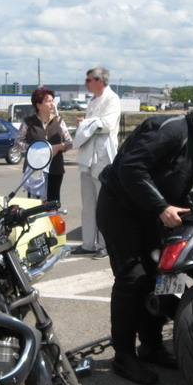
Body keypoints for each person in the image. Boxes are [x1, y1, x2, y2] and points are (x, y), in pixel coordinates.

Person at [96, 102, 193, 385]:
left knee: (161, 276)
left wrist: (184, 210)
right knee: (132, 279)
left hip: (149, 211)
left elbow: (178, 184)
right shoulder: (171, 130)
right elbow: (131, 168)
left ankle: (151, 346)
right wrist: (161, 206)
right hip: (119, 207)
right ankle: (123, 356)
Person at [71, 67, 120, 259]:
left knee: (103, 204)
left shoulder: (112, 99)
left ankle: (104, 245)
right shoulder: (92, 101)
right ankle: (88, 243)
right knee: (88, 204)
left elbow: (107, 125)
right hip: (88, 157)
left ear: (100, 81)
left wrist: (86, 123)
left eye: (88, 80)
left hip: (103, 158)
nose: (86, 83)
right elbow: (94, 125)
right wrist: (87, 123)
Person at [16, 86, 73, 202]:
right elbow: (18, 143)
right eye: (48, 101)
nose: (52, 104)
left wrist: (60, 146)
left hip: (55, 169)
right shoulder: (28, 122)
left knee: (53, 202)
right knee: (34, 204)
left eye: (52, 101)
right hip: (34, 170)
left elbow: (70, 143)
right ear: (39, 105)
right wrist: (34, 149)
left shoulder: (59, 121)